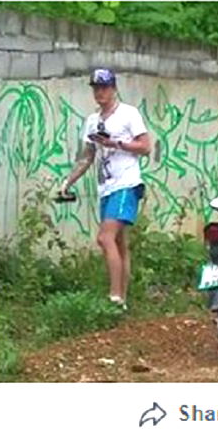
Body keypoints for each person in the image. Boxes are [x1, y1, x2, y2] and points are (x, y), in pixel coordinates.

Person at [58, 68, 151, 308]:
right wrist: (68, 182)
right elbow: (87, 157)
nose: (100, 92)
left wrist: (116, 143)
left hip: (126, 183)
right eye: (96, 88)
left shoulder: (129, 114)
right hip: (106, 187)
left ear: (114, 88)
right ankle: (123, 300)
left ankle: (114, 297)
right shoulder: (92, 121)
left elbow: (145, 146)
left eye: (104, 87)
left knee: (104, 238)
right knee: (119, 243)